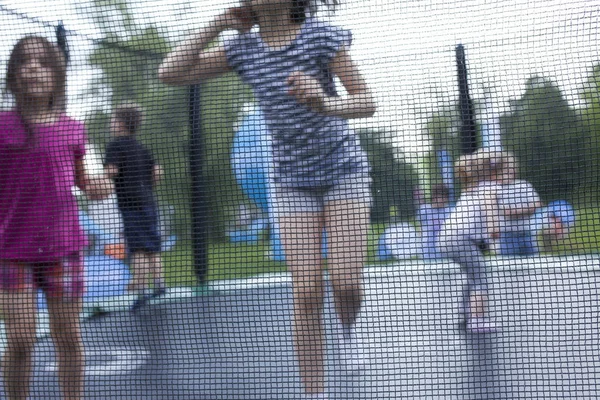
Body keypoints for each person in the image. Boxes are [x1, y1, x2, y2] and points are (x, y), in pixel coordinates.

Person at [159, 0, 376, 398]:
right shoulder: (243, 49)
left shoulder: (320, 36)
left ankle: (349, 329)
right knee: (306, 291)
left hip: (342, 172)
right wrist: (218, 23)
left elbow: (366, 101)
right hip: (290, 181)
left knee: (346, 285)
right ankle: (316, 393)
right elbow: (170, 73)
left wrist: (325, 102)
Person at [0, 36, 87, 400]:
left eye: (42, 62)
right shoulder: (2, 126)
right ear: (13, 76)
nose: (33, 67)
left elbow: (85, 182)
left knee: (67, 335)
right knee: (21, 337)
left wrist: (104, 184)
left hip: (63, 246)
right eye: (24, 62)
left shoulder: (72, 128)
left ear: (56, 75)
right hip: (11, 248)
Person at [104, 103, 166, 310]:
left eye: (113, 119)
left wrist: (100, 178)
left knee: (138, 248)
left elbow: (112, 170)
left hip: (130, 203)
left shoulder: (115, 146)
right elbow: (157, 172)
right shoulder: (142, 148)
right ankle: (159, 284)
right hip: (148, 202)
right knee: (152, 246)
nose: (111, 123)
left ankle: (141, 290)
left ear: (121, 124)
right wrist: (147, 186)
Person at [437, 150, 502, 333]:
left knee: (472, 275)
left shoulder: (468, 191)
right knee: (480, 275)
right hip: (460, 239)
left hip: (445, 238)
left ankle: (465, 312)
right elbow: (490, 210)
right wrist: (494, 231)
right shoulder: (489, 188)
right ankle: (477, 319)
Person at [491, 151, 543, 256]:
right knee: (508, 269)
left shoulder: (523, 185)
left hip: (526, 234)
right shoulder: (497, 189)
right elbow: (507, 213)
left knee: (535, 267)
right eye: (507, 169)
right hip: (508, 237)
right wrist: (527, 209)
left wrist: (518, 211)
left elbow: (538, 204)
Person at [416, 184, 452, 260]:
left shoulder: (450, 211)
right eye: (439, 196)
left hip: (445, 251)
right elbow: (420, 228)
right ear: (434, 197)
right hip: (427, 251)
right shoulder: (424, 210)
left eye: (444, 197)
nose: (441, 200)